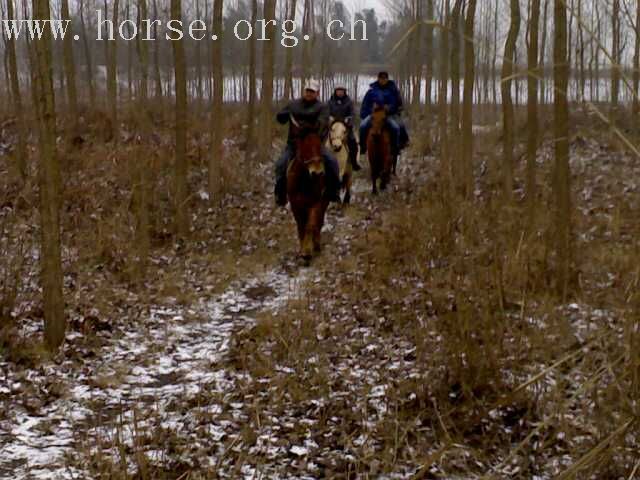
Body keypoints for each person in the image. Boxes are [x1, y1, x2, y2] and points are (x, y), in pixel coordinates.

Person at [274, 79, 341, 207]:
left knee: (332, 161)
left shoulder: (322, 107)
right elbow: (281, 117)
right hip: (294, 144)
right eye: (307, 91)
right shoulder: (294, 105)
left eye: (312, 92)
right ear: (304, 91)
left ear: (317, 93)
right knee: (281, 164)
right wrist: (282, 115)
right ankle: (280, 194)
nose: (309, 94)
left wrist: (309, 127)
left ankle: (334, 191)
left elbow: (322, 124)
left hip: (315, 146)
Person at [359, 71, 410, 159]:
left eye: (385, 78)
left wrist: (388, 108)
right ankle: (363, 147)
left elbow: (395, 104)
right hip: (373, 115)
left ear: (387, 79)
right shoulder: (371, 91)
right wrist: (370, 110)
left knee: (395, 128)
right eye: (381, 78)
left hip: (387, 115)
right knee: (363, 126)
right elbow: (365, 105)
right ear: (378, 79)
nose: (383, 80)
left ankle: (395, 149)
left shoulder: (392, 90)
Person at [328, 86, 362, 171]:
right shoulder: (330, 102)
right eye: (338, 90)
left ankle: (353, 162)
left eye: (342, 91)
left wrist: (349, 121)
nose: (340, 92)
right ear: (335, 91)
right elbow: (326, 112)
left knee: (353, 143)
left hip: (345, 126)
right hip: (332, 126)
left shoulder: (349, 102)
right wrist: (329, 119)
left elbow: (352, 114)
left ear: (344, 92)